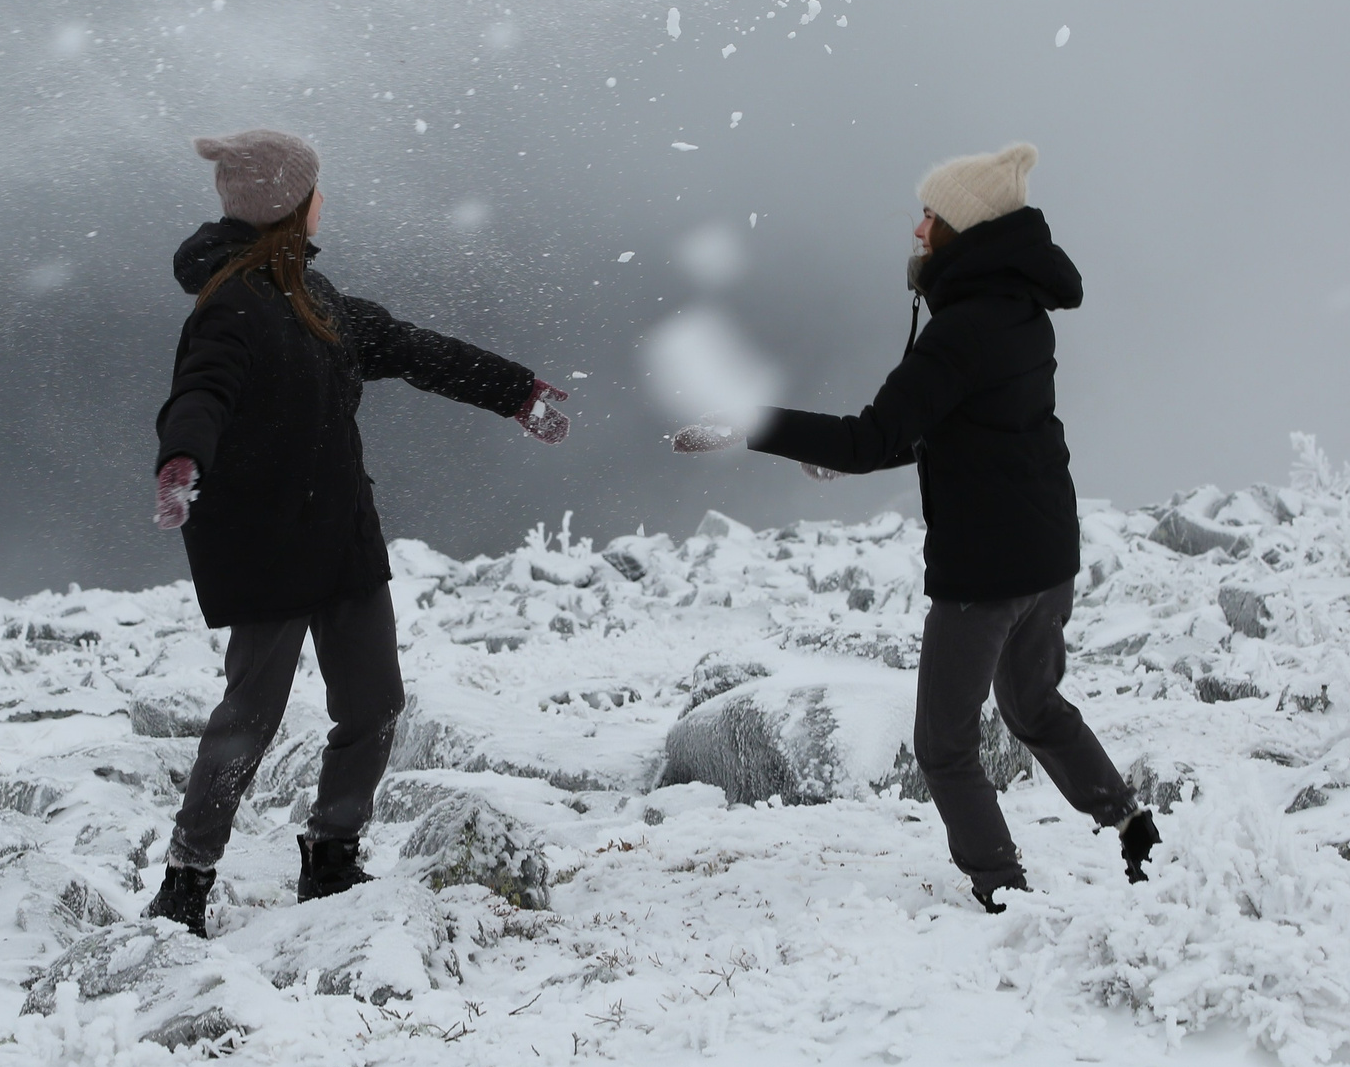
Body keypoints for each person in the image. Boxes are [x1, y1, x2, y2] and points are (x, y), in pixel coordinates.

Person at [671, 141, 1156, 909]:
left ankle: (1002, 891)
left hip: (986, 573)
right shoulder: (1021, 312)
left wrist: (750, 422)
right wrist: (893, 443)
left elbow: (873, 437)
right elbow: (975, 426)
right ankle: (1133, 828)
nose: (918, 228)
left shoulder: (960, 330)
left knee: (944, 746)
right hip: (1047, 552)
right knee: (1035, 707)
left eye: (931, 216)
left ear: (965, 230)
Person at [144, 128, 571, 934]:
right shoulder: (231, 307)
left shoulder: (321, 300)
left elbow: (416, 349)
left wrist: (515, 391)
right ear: (290, 205)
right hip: (265, 550)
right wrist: (180, 461)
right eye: (316, 192)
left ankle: (333, 855)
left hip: (341, 540)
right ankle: (187, 878)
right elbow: (201, 393)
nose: (324, 203)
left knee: (374, 705)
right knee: (248, 720)